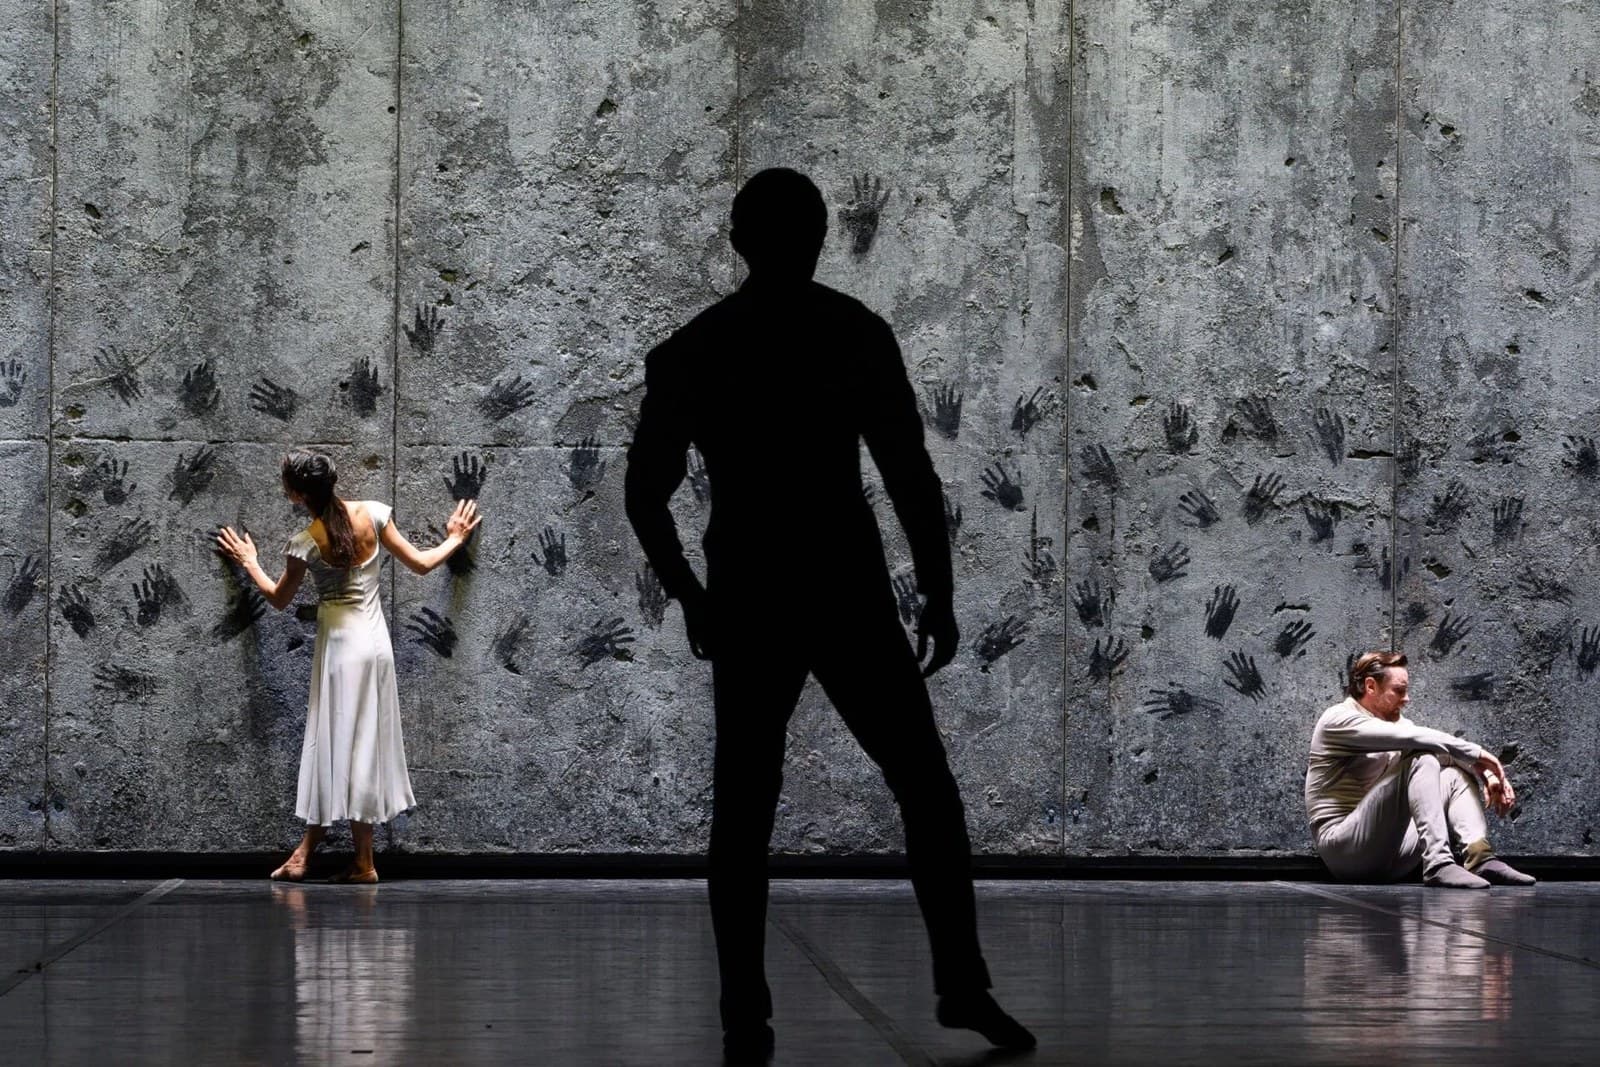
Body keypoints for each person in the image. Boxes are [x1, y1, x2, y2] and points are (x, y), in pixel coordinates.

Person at [624, 168, 1034, 1062]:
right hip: (844, 592)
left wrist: (692, 595)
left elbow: (644, 497)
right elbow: (907, 473)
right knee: (925, 790)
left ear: (739, 240)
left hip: (752, 597)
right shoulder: (853, 334)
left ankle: (745, 1015)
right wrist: (938, 587)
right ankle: (960, 983)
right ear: (816, 238)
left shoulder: (695, 350)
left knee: (744, 813)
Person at [216, 450, 480, 883]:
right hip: (375, 646)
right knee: (362, 749)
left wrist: (248, 562)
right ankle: (356, 860)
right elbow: (421, 563)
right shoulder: (374, 514)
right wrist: (455, 537)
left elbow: (280, 599)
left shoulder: (305, 542)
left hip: (340, 648)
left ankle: (335, 857)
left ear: (296, 495)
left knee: (334, 747)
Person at [1306, 650, 1535, 889]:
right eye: (1399, 690)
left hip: (1392, 855)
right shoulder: (1337, 720)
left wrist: (1487, 774)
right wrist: (1479, 754)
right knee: (1422, 757)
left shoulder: (1399, 726)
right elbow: (1422, 741)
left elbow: (1446, 754)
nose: (1407, 699)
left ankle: (1480, 858)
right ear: (1370, 686)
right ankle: (1438, 864)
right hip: (1345, 852)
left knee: (1453, 775)